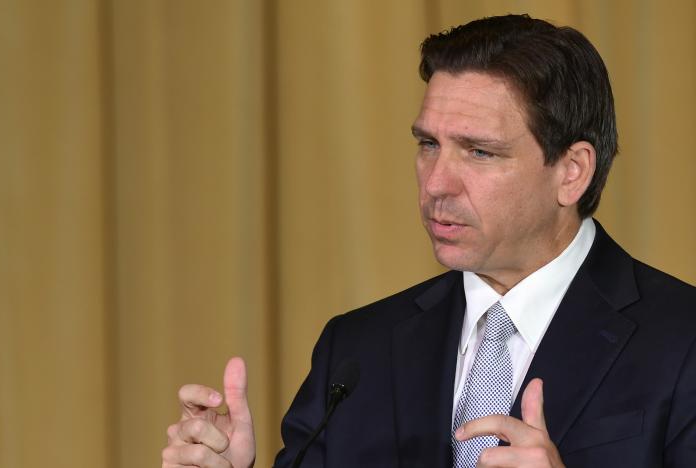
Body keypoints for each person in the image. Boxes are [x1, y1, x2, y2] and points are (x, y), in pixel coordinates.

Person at [161, 14, 696, 468]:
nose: (436, 183)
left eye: (479, 152)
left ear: (572, 172)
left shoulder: (682, 342)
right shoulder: (356, 351)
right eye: (427, 145)